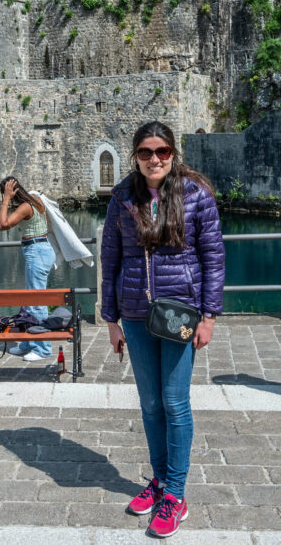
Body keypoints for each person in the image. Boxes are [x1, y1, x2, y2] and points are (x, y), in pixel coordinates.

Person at [100, 121, 225, 538]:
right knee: (150, 403)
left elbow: (213, 257)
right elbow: (110, 257)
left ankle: (176, 492)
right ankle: (158, 481)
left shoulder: (196, 194)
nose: (154, 159)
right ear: (134, 155)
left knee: (175, 401)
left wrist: (209, 316)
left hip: (180, 314)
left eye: (162, 151)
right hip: (135, 314)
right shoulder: (122, 197)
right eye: (145, 152)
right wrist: (110, 319)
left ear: (174, 153)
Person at [0, 177, 55, 361]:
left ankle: (43, 349)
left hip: (36, 251)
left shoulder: (24, 207)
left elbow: (2, 225)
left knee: (37, 301)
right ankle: (28, 343)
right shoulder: (34, 198)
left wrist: (5, 199)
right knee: (30, 300)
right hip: (39, 249)